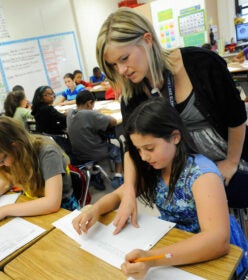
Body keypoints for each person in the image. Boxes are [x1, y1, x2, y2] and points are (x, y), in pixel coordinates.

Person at [95, 7, 248, 233]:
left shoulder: (202, 63)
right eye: (114, 65)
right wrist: (128, 192)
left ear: (147, 39)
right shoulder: (132, 94)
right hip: (182, 174)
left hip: (226, 159)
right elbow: (131, 148)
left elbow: (236, 117)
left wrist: (231, 162)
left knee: (226, 231)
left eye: (124, 59)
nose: (122, 70)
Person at [72, 98, 248, 278]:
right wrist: (95, 209)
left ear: (175, 137)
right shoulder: (155, 167)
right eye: (139, 150)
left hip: (210, 252)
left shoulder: (201, 174)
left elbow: (217, 241)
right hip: (175, 240)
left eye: (149, 148)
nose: (144, 157)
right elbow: (119, 195)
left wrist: (152, 258)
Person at [0, 116, 79, 226]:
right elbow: (8, 180)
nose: (0, 165)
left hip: (63, 211)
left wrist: (4, 210)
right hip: (34, 203)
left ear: (15, 146)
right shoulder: (16, 154)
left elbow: (52, 203)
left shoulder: (47, 153)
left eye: (1, 160)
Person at [67, 90, 123, 189]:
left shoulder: (70, 113)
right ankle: (118, 177)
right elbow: (113, 121)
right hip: (95, 152)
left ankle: (95, 175)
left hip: (78, 153)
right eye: (93, 104)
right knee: (118, 150)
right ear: (89, 103)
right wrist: (98, 114)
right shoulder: (90, 115)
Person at [31, 85, 72, 157]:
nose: (52, 96)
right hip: (54, 137)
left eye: (52, 93)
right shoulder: (48, 109)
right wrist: (66, 115)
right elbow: (63, 119)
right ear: (40, 98)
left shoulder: (37, 108)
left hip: (45, 137)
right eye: (48, 94)